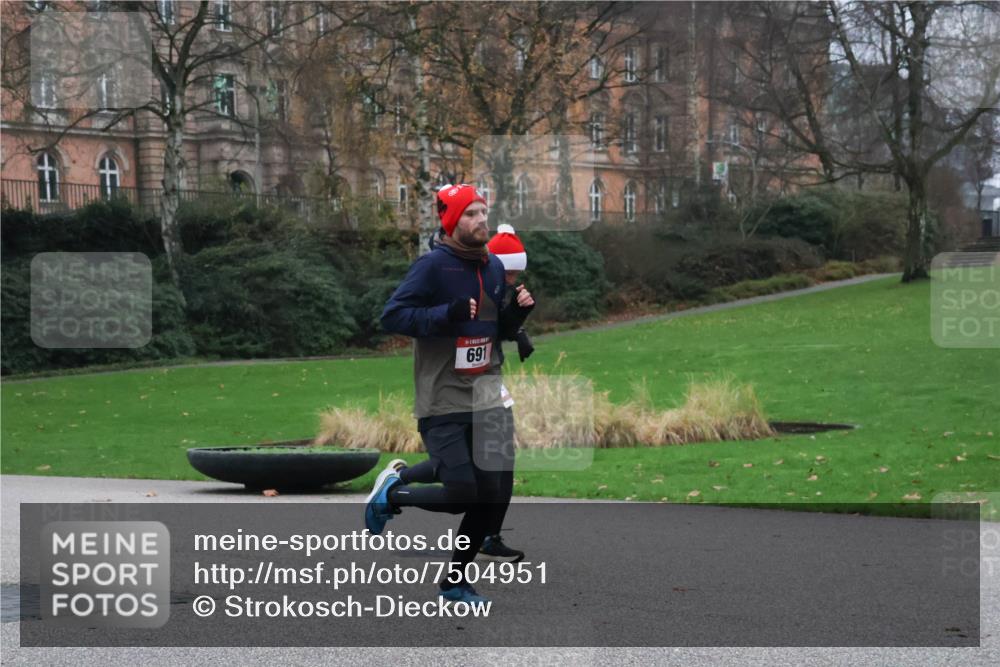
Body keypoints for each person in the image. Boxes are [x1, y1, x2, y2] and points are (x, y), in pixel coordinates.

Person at [368, 184, 535, 604]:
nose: (482, 220)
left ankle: (455, 582)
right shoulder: (432, 268)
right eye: (471, 214)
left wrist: (518, 317)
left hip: (487, 395)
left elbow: (495, 328)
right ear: (451, 222)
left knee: (491, 495)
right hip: (443, 396)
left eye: (483, 212)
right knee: (462, 492)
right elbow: (393, 316)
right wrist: (447, 314)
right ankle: (394, 492)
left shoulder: (494, 267)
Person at [474, 224, 536, 563]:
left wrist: (520, 319)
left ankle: (490, 535)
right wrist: (517, 321)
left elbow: (502, 327)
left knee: (503, 461)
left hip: (491, 381)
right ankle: (398, 486)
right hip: (464, 384)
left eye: (515, 274)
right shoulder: (479, 286)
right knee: (463, 472)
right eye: (507, 272)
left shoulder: (501, 287)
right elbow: (491, 325)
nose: (511, 279)